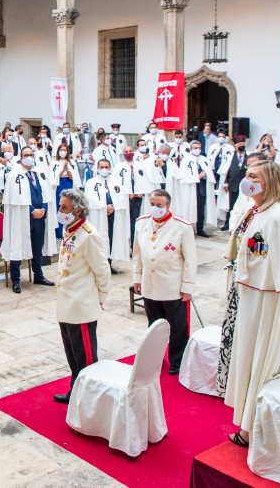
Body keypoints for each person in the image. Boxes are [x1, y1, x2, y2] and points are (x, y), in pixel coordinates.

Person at [223, 160, 280, 447]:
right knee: (248, 358)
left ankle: (252, 428)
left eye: (253, 176)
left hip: (266, 301)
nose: (247, 180)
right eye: (247, 175)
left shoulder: (278, 217)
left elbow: (279, 266)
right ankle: (246, 421)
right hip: (251, 296)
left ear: (269, 182)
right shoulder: (257, 210)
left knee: (260, 359)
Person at [52, 188, 110, 403]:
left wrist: (100, 298)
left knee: (86, 357)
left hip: (82, 306)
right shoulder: (70, 230)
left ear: (77, 210)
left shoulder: (88, 235)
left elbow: (102, 270)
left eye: (64, 207)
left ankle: (90, 400)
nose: (60, 211)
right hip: (67, 305)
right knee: (73, 355)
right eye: (60, 206)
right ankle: (76, 391)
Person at [132, 189, 197, 375]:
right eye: (152, 204)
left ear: (168, 205)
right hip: (150, 284)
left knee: (177, 327)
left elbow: (190, 260)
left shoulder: (182, 226)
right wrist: (137, 277)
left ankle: (177, 360)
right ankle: (154, 357)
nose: (155, 208)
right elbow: (137, 253)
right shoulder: (141, 222)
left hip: (172, 286)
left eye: (159, 205)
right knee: (154, 325)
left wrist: (187, 287)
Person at [1, 147, 56, 294]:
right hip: (22, 217)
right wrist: (32, 210)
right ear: (21, 157)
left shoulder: (39, 173)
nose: (29, 157)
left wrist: (43, 209)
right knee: (18, 245)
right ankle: (15, 279)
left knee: (37, 247)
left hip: (39, 218)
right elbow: (16, 197)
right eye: (26, 155)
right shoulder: (15, 174)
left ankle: (38, 275)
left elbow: (46, 194)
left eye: (31, 155)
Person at [83, 159, 129, 275]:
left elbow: (121, 198)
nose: (104, 169)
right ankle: (99, 265)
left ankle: (109, 263)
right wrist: (104, 207)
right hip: (98, 215)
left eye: (106, 167)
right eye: (102, 167)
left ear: (110, 168)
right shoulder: (91, 182)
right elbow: (90, 200)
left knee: (111, 237)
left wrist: (113, 206)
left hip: (114, 214)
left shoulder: (115, 182)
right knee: (100, 237)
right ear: (97, 168)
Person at [51, 143, 80, 239]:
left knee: (69, 206)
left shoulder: (72, 162)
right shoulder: (54, 163)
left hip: (68, 184)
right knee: (59, 206)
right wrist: (62, 170)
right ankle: (59, 231)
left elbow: (74, 178)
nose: (63, 152)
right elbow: (53, 179)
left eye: (64, 150)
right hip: (59, 185)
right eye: (61, 150)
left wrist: (67, 169)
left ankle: (70, 228)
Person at [221, 136, 250, 229]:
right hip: (233, 184)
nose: (241, 145)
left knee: (244, 204)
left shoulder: (248, 157)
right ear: (235, 146)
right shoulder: (230, 157)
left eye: (243, 144)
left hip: (245, 185)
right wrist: (225, 183)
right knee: (231, 205)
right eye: (239, 144)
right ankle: (228, 224)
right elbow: (225, 170)